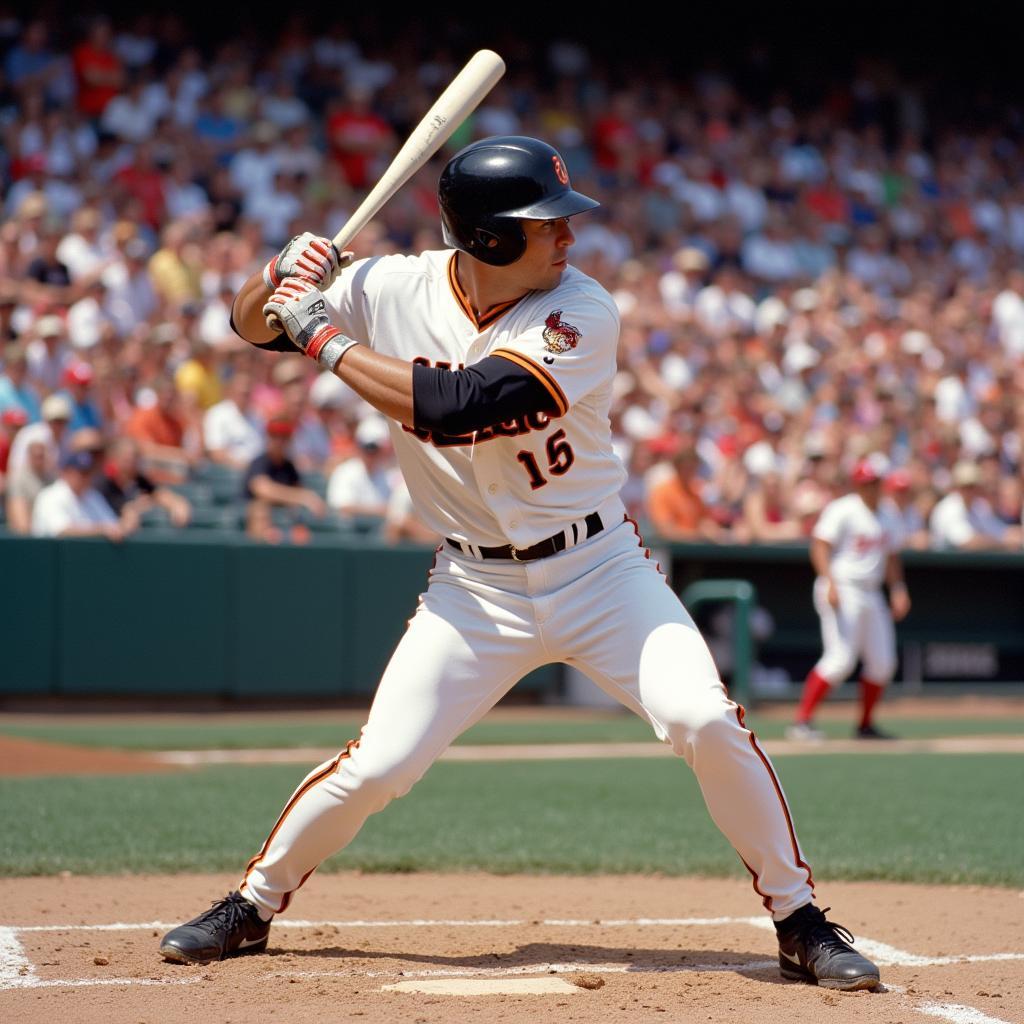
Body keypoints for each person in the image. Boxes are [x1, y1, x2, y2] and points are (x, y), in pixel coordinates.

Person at [159, 136, 880, 991]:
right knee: (382, 763)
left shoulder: (583, 309)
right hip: (475, 587)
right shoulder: (389, 286)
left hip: (601, 569)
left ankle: (800, 920)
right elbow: (249, 324)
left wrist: (322, 339)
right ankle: (253, 904)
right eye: (548, 225)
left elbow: (461, 405)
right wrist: (283, 269)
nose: (570, 237)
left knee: (706, 720)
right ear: (491, 239)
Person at [788, 456, 911, 742]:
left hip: (872, 591)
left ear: (881, 484)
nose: (869, 487)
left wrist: (898, 588)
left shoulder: (889, 513)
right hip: (844, 586)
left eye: (873, 482)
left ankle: (865, 726)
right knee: (841, 659)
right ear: (857, 484)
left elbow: (892, 556)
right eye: (864, 482)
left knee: (883, 663)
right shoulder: (843, 509)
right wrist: (829, 582)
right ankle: (801, 722)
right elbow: (819, 546)